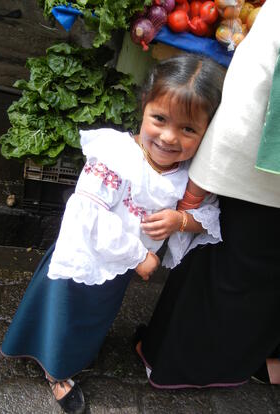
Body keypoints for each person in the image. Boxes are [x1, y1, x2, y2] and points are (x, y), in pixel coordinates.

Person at [1, 53, 226, 413]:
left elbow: (207, 216)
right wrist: (141, 256)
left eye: (188, 130)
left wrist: (179, 221)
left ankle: (70, 353)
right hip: (86, 255)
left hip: (121, 268)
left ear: (207, 134)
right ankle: (57, 373)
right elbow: (87, 214)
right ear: (144, 106)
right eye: (160, 119)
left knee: (94, 317)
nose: (169, 137)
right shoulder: (114, 156)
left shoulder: (188, 177)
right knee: (63, 313)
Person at [137, 0, 280, 389]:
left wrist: (198, 186)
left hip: (257, 173)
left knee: (228, 271)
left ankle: (178, 362)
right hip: (261, 177)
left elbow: (247, 99)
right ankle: (231, 365)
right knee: (252, 277)